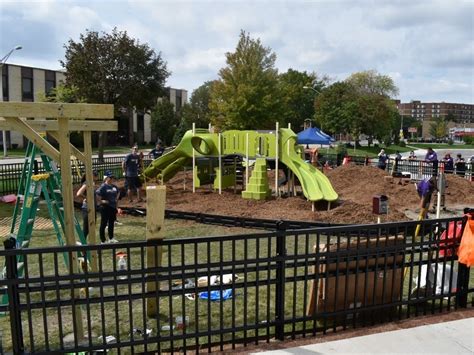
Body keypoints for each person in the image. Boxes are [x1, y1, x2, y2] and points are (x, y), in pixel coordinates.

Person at [96, 171, 119, 244]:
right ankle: (103, 240)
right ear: (106, 178)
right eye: (110, 177)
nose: (112, 179)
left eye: (112, 177)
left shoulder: (114, 187)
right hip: (105, 208)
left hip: (112, 207)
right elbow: (97, 195)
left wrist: (116, 201)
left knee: (111, 223)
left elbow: (118, 192)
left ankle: (111, 238)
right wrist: (102, 201)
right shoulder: (103, 187)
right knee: (103, 223)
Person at [76, 171, 99, 239]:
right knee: (86, 228)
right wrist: (86, 198)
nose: (97, 177)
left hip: (92, 207)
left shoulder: (92, 183)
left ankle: (87, 243)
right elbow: (78, 193)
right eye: (96, 175)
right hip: (87, 208)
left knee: (92, 226)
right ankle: (83, 244)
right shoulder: (87, 183)